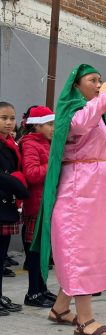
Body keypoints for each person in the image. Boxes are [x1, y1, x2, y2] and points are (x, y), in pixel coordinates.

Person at [31, 64, 106, 335]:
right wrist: (104, 97)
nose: (99, 84)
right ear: (76, 85)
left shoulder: (97, 114)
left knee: (91, 247)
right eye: (92, 80)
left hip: (93, 186)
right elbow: (78, 125)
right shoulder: (73, 110)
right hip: (78, 187)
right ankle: (85, 319)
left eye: (100, 81)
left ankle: (60, 309)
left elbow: (103, 151)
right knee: (80, 249)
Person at [19, 105, 56, 308]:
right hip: (37, 205)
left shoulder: (46, 143)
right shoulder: (30, 144)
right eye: (49, 124)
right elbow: (32, 174)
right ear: (37, 126)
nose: (53, 128)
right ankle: (33, 293)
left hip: (48, 204)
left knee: (44, 252)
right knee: (34, 253)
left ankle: (42, 289)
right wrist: (54, 163)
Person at [0, 101, 29, 316]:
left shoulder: (11, 143)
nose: (9, 123)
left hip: (7, 205)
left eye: (12, 118)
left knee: (1, 256)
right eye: (3, 118)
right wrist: (19, 183)